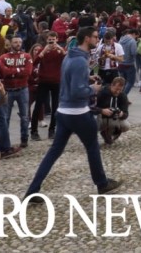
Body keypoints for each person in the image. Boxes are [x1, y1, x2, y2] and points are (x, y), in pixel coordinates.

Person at [24, 24, 121, 202]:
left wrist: (87, 78)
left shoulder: (70, 56)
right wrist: (93, 88)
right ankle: (102, 183)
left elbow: (68, 80)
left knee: (54, 152)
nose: (96, 40)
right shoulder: (79, 61)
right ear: (86, 39)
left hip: (63, 111)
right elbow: (78, 91)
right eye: (94, 37)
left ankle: (32, 191)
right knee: (92, 147)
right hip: (78, 112)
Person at [0, 33, 33, 153]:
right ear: (10, 43)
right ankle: (5, 142)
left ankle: (24, 139)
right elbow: (3, 72)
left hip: (22, 88)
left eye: (19, 42)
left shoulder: (26, 56)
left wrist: (12, 71)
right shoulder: (3, 57)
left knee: (24, 116)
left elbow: (28, 72)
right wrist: (18, 70)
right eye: (15, 42)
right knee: (5, 117)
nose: (18, 44)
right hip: (8, 90)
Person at [95, 76, 130, 145]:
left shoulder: (122, 96)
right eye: (116, 89)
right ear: (111, 85)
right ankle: (97, 136)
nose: (118, 92)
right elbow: (92, 107)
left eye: (120, 90)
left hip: (114, 118)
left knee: (126, 126)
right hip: (101, 117)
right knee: (110, 122)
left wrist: (121, 114)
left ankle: (109, 134)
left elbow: (126, 113)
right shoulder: (102, 93)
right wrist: (102, 110)